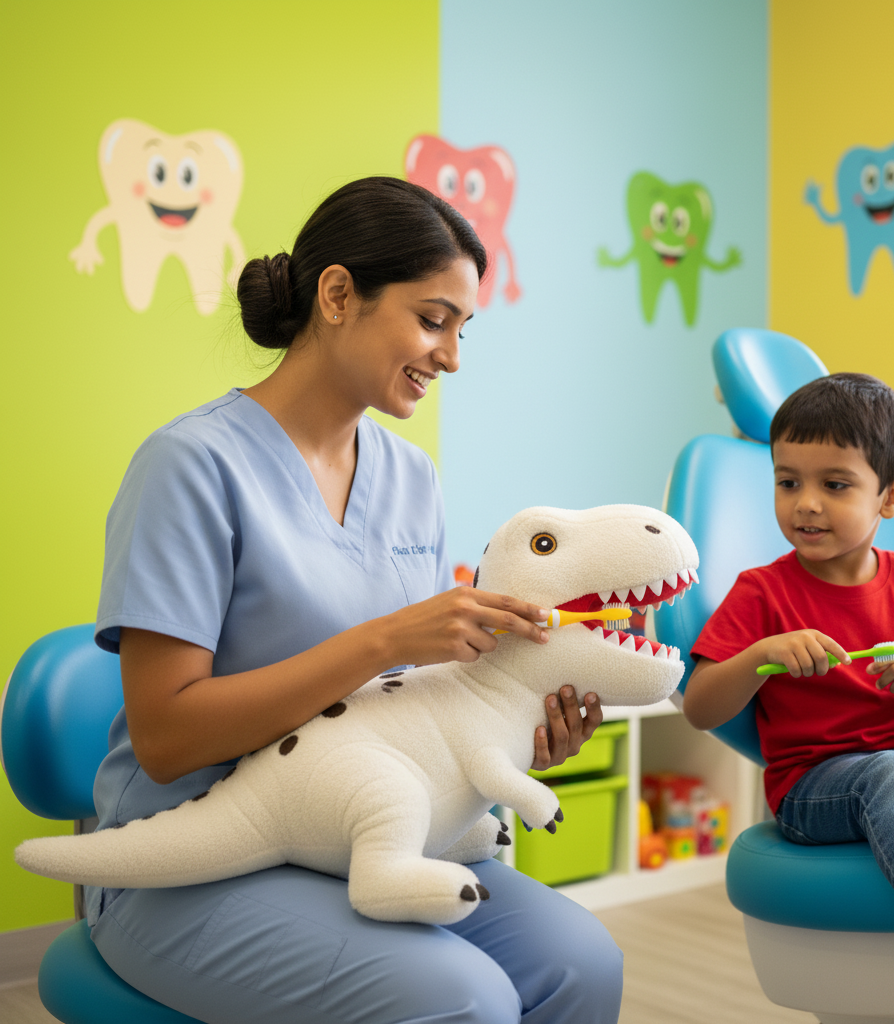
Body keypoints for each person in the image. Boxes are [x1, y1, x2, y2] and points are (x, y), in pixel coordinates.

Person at [87, 176, 623, 1024]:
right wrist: (383, 639)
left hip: (365, 834)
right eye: (433, 318)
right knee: (467, 1001)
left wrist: (517, 733)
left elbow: (412, 707)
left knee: (582, 963)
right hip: (192, 856)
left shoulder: (412, 479)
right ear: (338, 295)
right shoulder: (189, 468)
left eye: (462, 328)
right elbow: (166, 739)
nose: (451, 355)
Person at [684, 372, 894, 999]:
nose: (805, 503)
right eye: (788, 483)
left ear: (891, 497)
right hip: (818, 785)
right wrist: (763, 656)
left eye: (834, 485)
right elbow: (701, 707)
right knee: (889, 772)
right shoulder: (763, 592)